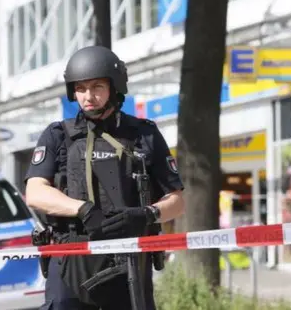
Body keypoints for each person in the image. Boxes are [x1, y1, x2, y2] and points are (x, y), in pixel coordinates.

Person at [25, 45, 185, 310]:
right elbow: (35, 191)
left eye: (97, 87)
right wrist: (82, 209)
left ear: (114, 87)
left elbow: (177, 201)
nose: (89, 96)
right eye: (81, 88)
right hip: (71, 254)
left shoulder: (143, 134)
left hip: (130, 254)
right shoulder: (57, 135)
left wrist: (147, 214)